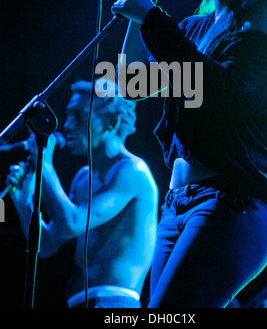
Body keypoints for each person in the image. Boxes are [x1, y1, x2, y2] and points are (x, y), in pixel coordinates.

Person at [111, 0, 267, 308]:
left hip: (232, 203)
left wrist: (152, 18)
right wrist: (148, 6)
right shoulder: (194, 28)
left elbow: (230, 93)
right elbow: (132, 84)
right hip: (178, 205)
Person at [8, 79, 158, 308]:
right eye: (68, 115)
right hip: (78, 301)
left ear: (111, 122)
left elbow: (73, 223)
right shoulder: (83, 177)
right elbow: (47, 245)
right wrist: (24, 202)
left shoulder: (132, 171)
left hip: (113, 302)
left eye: (78, 116)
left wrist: (45, 167)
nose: (66, 125)